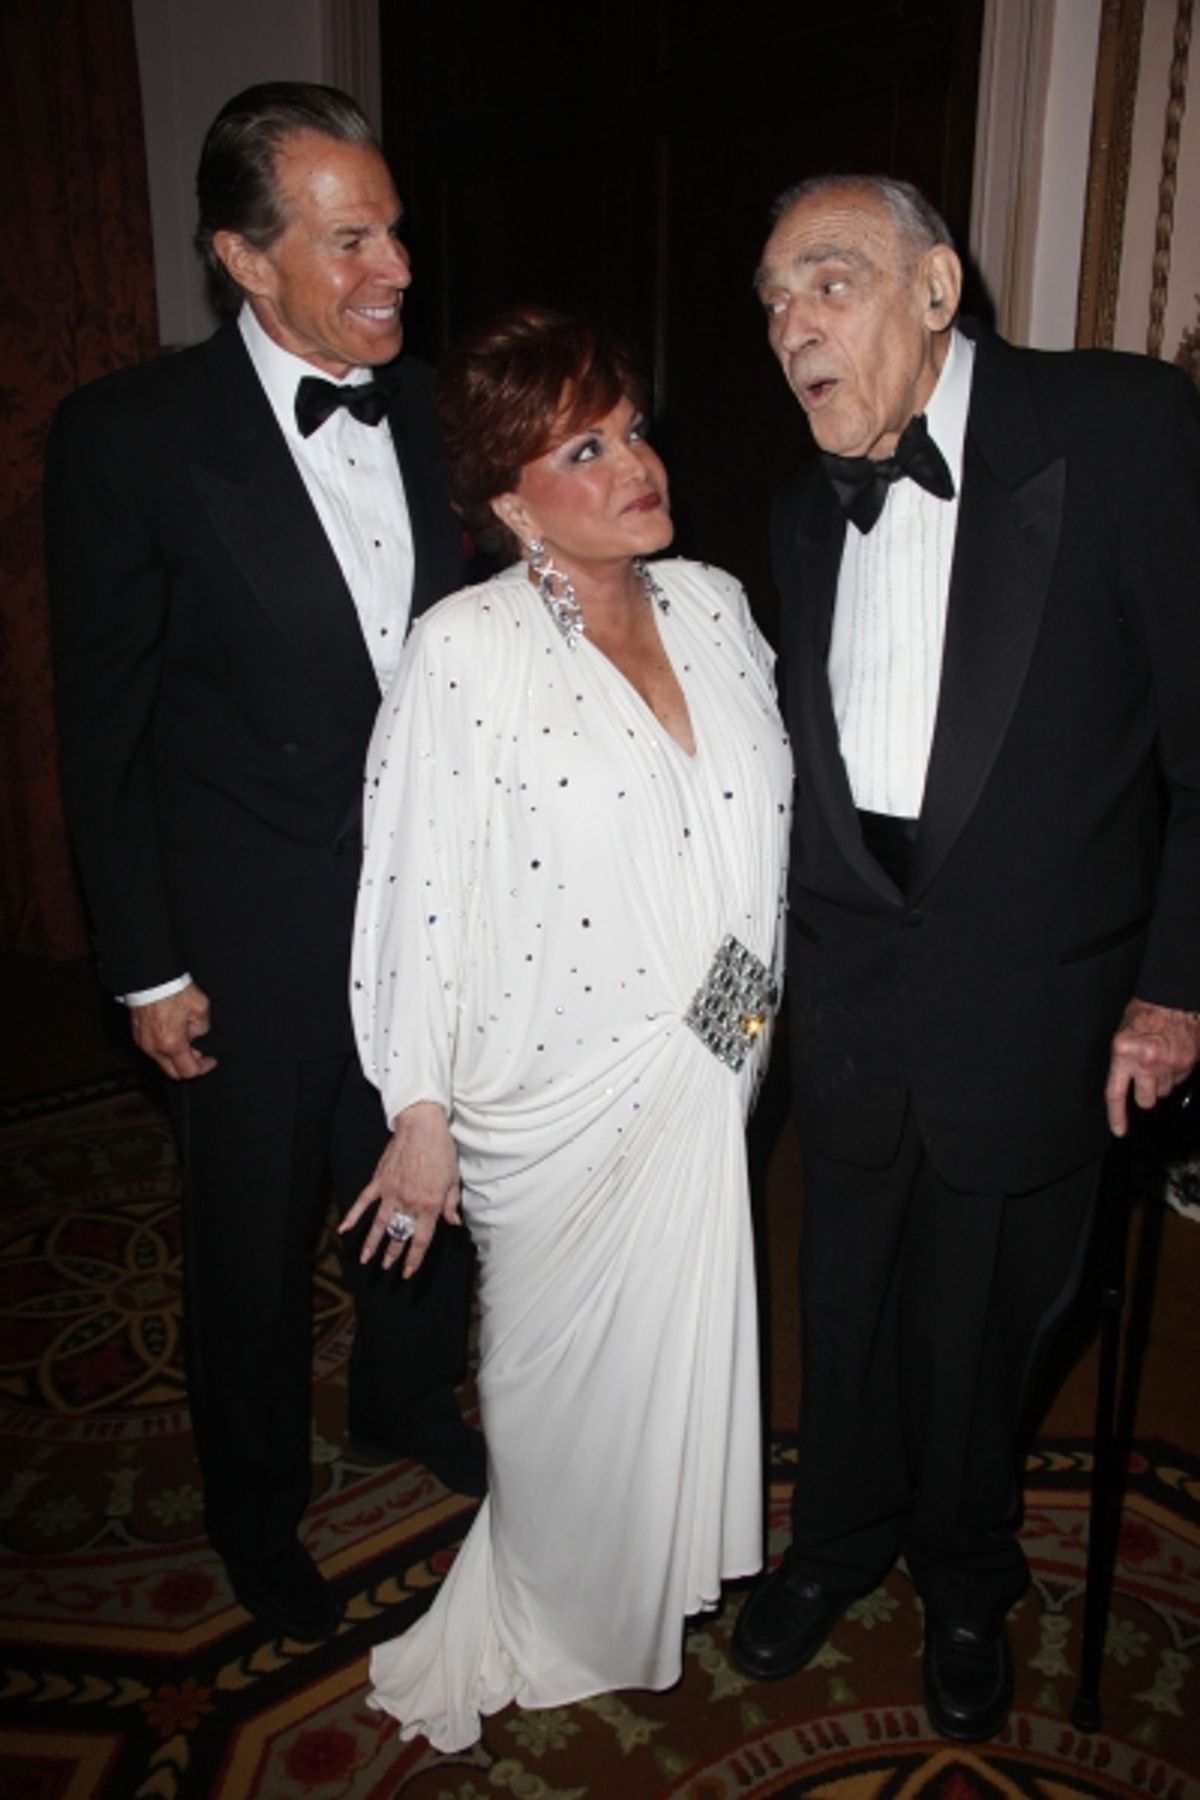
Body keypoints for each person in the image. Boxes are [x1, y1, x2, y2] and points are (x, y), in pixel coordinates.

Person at [732, 173, 1200, 1740]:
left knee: (987, 1324)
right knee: (847, 1303)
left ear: (938, 290)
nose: (794, 323)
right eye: (775, 300)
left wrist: (1179, 981)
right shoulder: (805, 501)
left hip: (1046, 998)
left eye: (830, 282)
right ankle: (832, 1546)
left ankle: (965, 1578)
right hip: (857, 1002)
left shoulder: (1122, 427)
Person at [46, 82, 482, 1646]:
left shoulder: (433, 409)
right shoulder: (127, 437)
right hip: (248, 930)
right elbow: (100, 726)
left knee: (432, 1199)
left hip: (428, 915)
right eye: (352, 237)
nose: (397, 267)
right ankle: (251, 1507)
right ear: (245, 254)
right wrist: (146, 963)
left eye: (397, 228)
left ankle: (403, 1401)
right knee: (246, 1252)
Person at [339, 303, 792, 1751]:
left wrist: (732, 1043)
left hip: (711, 1057)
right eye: (584, 447)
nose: (636, 462)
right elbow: (414, 882)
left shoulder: (717, 604)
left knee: (677, 1358)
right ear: (504, 500)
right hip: (548, 1088)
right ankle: (557, 1600)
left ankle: (644, 1590)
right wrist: (419, 1111)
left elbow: (765, 845)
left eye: (634, 428)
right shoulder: (463, 651)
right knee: (548, 1384)